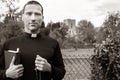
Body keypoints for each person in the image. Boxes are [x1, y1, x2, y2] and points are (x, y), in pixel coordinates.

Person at [0, 0, 66, 80]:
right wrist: (6, 74)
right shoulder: (9, 44)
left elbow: (61, 73)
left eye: (37, 14)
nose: (33, 18)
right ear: (23, 17)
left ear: (42, 18)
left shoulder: (53, 44)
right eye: (29, 13)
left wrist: (49, 68)